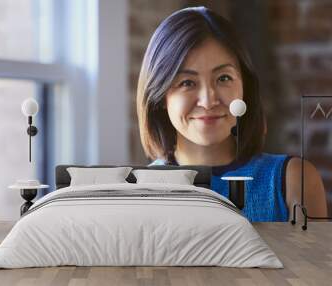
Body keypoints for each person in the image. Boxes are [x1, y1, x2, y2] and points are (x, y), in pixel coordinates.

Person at [136, 6, 327, 222]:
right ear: (160, 96)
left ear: (244, 85)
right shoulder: (138, 194)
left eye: (224, 78)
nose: (208, 101)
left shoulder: (294, 181)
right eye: (187, 82)